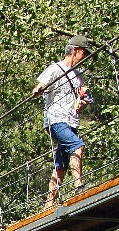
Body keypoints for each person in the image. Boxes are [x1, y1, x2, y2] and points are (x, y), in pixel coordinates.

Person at [32, 35, 92, 208]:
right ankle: (79, 186)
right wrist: (39, 90)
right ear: (75, 51)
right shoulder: (56, 69)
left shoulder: (79, 75)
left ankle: (48, 204)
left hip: (71, 121)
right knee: (77, 146)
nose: (85, 57)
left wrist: (83, 102)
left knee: (61, 164)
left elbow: (84, 95)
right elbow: (40, 85)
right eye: (84, 53)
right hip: (56, 119)